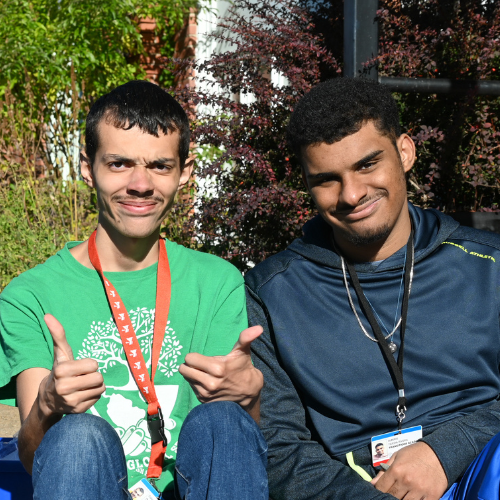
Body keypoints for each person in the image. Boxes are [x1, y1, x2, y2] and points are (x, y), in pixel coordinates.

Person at [0, 80, 268, 500]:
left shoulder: (217, 282)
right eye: (120, 163)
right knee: (76, 437)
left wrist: (248, 400)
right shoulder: (31, 295)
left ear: (185, 173)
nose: (140, 184)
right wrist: (48, 405)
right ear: (88, 168)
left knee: (224, 422)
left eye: (159, 166)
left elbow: (234, 456)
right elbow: (36, 459)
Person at [245, 77, 500, 500]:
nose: (352, 194)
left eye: (366, 165)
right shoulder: (271, 295)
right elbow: (280, 450)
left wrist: (445, 451)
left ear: (405, 152)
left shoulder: (488, 266)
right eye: (327, 179)